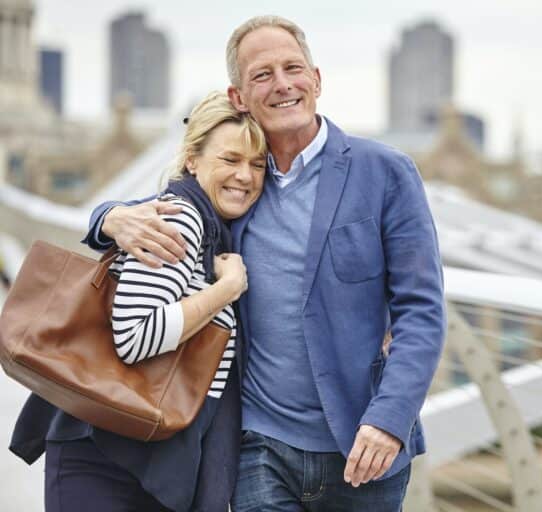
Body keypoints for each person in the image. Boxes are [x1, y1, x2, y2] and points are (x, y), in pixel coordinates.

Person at [85, 15, 446, 511]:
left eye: (293, 68)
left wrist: (390, 419)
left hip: (364, 448)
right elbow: (169, 204)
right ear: (238, 97)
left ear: (316, 80)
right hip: (259, 448)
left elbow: (422, 311)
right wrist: (109, 218)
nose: (282, 85)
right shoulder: (237, 185)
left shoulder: (385, 172)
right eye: (262, 75)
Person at [10, 91, 267, 512]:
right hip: (107, 461)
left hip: (142, 455)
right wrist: (226, 289)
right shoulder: (182, 219)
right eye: (230, 159)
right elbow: (136, 336)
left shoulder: (215, 228)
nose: (245, 175)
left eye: (257, 165)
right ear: (191, 159)